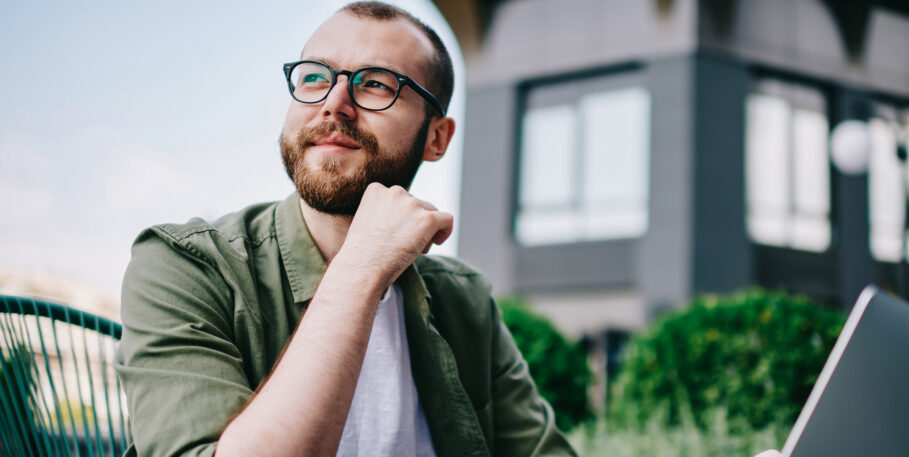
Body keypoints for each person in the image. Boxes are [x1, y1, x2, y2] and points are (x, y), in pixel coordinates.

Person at [114, 2, 786, 457]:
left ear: (437, 137)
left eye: (375, 85)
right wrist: (360, 267)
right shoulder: (184, 264)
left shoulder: (460, 297)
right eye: (314, 79)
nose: (335, 105)